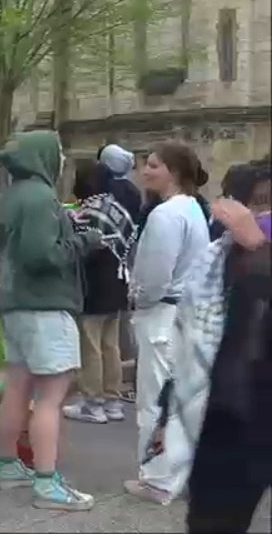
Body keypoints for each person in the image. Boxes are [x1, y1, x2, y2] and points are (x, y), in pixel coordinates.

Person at [147, 158, 271, 533]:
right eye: (259, 203)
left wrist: (260, 248)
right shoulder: (215, 263)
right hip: (228, 423)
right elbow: (189, 348)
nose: (263, 214)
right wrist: (167, 415)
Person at [0, 130, 104, 511]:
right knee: (51, 398)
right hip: (44, 307)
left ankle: (7, 466)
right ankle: (46, 483)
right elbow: (40, 255)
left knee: (17, 389)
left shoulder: (11, 194)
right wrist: (83, 243)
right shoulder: (40, 197)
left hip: (13, 305)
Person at [124, 140, 210, 504]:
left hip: (162, 313)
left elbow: (154, 277)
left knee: (155, 400)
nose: (145, 171)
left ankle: (157, 478)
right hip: (185, 311)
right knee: (179, 398)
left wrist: (136, 298)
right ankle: (180, 472)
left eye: (154, 165)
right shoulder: (191, 209)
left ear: (173, 172)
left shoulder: (165, 215)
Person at [61, 158, 138, 424]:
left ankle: (92, 403)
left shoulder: (85, 213)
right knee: (111, 345)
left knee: (90, 346)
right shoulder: (116, 208)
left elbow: (81, 250)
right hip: (118, 282)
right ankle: (113, 401)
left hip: (93, 285)